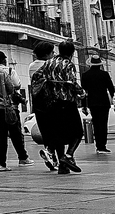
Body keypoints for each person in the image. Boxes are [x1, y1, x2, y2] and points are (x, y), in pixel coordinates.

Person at [35, 41, 85, 174]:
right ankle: (68, 156)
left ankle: (61, 164)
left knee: (59, 132)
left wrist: (50, 84)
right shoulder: (68, 64)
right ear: (72, 53)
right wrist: (82, 93)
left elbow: (38, 77)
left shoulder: (48, 63)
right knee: (78, 132)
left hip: (51, 103)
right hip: (66, 101)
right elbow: (71, 82)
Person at [0, 51, 32, 166]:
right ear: (3, 60)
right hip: (11, 107)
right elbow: (17, 85)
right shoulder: (10, 71)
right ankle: (22, 157)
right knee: (16, 133)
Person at [26, 42, 57, 170]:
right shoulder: (49, 66)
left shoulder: (31, 66)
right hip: (50, 101)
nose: (54, 54)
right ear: (47, 54)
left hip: (38, 102)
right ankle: (51, 152)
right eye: (52, 52)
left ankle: (51, 156)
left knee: (45, 130)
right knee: (55, 129)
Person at [79, 54, 115, 155]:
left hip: (92, 103)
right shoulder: (105, 74)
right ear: (100, 64)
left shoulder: (85, 75)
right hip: (104, 102)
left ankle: (98, 145)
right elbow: (111, 89)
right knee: (103, 124)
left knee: (96, 123)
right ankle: (102, 146)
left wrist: (84, 105)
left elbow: (83, 92)